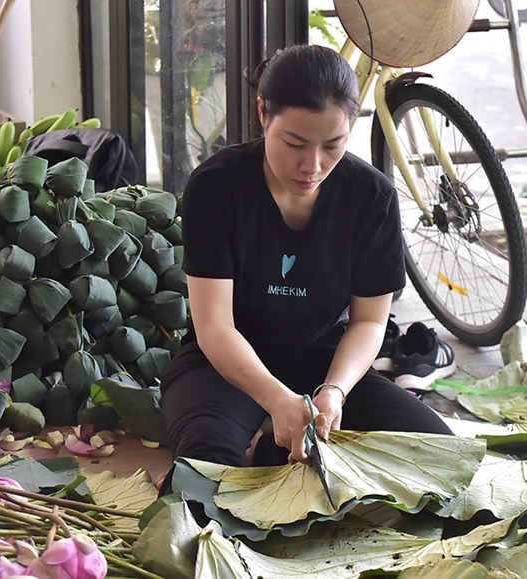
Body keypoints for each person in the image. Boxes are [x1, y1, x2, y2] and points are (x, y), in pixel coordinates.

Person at [157, 44, 453, 498]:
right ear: (262, 114)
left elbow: (371, 321)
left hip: (322, 363)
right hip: (223, 365)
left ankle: (273, 451)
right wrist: (276, 399)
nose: (312, 166)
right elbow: (214, 326)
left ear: (351, 127)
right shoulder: (216, 186)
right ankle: (260, 442)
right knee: (203, 475)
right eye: (294, 143)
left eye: (332, 145)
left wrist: (333, 392)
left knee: (438, 456)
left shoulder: (371, 197)